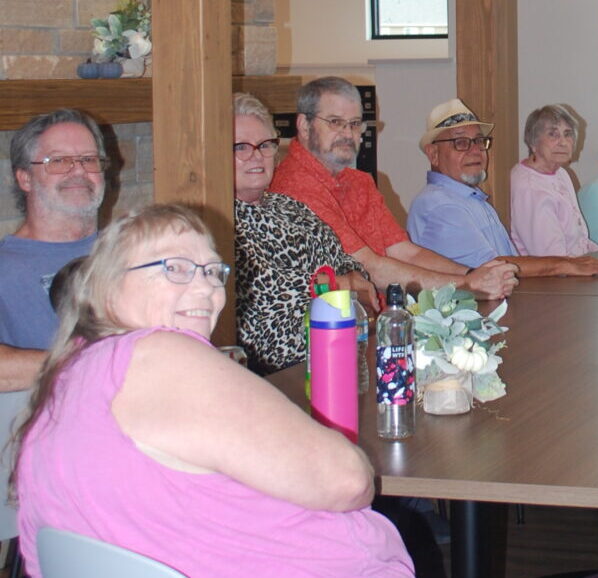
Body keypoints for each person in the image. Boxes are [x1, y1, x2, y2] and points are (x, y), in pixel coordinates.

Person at [11, 204, 413, 577]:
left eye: (211, 271)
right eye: (176, 268)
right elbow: (348, 480)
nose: (206, 289)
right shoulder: (159, 355)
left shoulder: (69, 376)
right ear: (107, 287)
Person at [269, 77, 517, 299]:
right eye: (335, 122)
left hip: (375, 320)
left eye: (355, 124)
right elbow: (370, 267)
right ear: (303, 125)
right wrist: (466, 285)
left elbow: (405, 252)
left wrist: (473, 273)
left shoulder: (359, 181)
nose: (347, 134)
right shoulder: (294, 186)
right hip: (325, 335)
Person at [231, 93, 376, 374]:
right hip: (276, 378)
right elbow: (268, 310)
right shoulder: (224, 223)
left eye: (265, 145)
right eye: (241, 147)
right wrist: (338, 286)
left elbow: (356, 273)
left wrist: (335, 284)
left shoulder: (290, 208)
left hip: (340, 357)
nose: (257, 156)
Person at [407, 98, 598, 277]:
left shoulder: (469, 197)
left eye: (479, 141)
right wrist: (567, 264)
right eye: (461, 143)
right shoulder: (439, 205)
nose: (475, 151)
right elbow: (492, 268)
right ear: (433, 154)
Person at [0, 110, 107, 392]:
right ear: (25, 179)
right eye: (58, 161)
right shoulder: (4, 267)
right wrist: (97, 366)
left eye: (89, 159)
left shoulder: (130, 251)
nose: (79, 171)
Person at [510, 105, 598, 257]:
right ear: (533, 142)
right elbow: (552, 259)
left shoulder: (561, 173)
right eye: (553, 134)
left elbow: (581, 241)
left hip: (576, 267)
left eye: (568, 134)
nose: (563, 142)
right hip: (554, 276)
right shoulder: (530, 187)